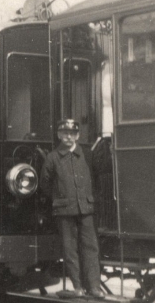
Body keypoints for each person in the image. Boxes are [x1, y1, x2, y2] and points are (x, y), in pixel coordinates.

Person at [40, 119, 105, 300]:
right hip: (64, 211)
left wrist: (92, 199)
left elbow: (97, 179)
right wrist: (59, 198)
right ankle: (77, 287)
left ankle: (94, 288)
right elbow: (45, 183)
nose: (68, 136)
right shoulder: (53, 157)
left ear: (77, 135)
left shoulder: (87, 154)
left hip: (86, 209)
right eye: (64, 133)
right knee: (70, 250)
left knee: (91, 249)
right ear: (59, 135)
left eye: (72, 133)